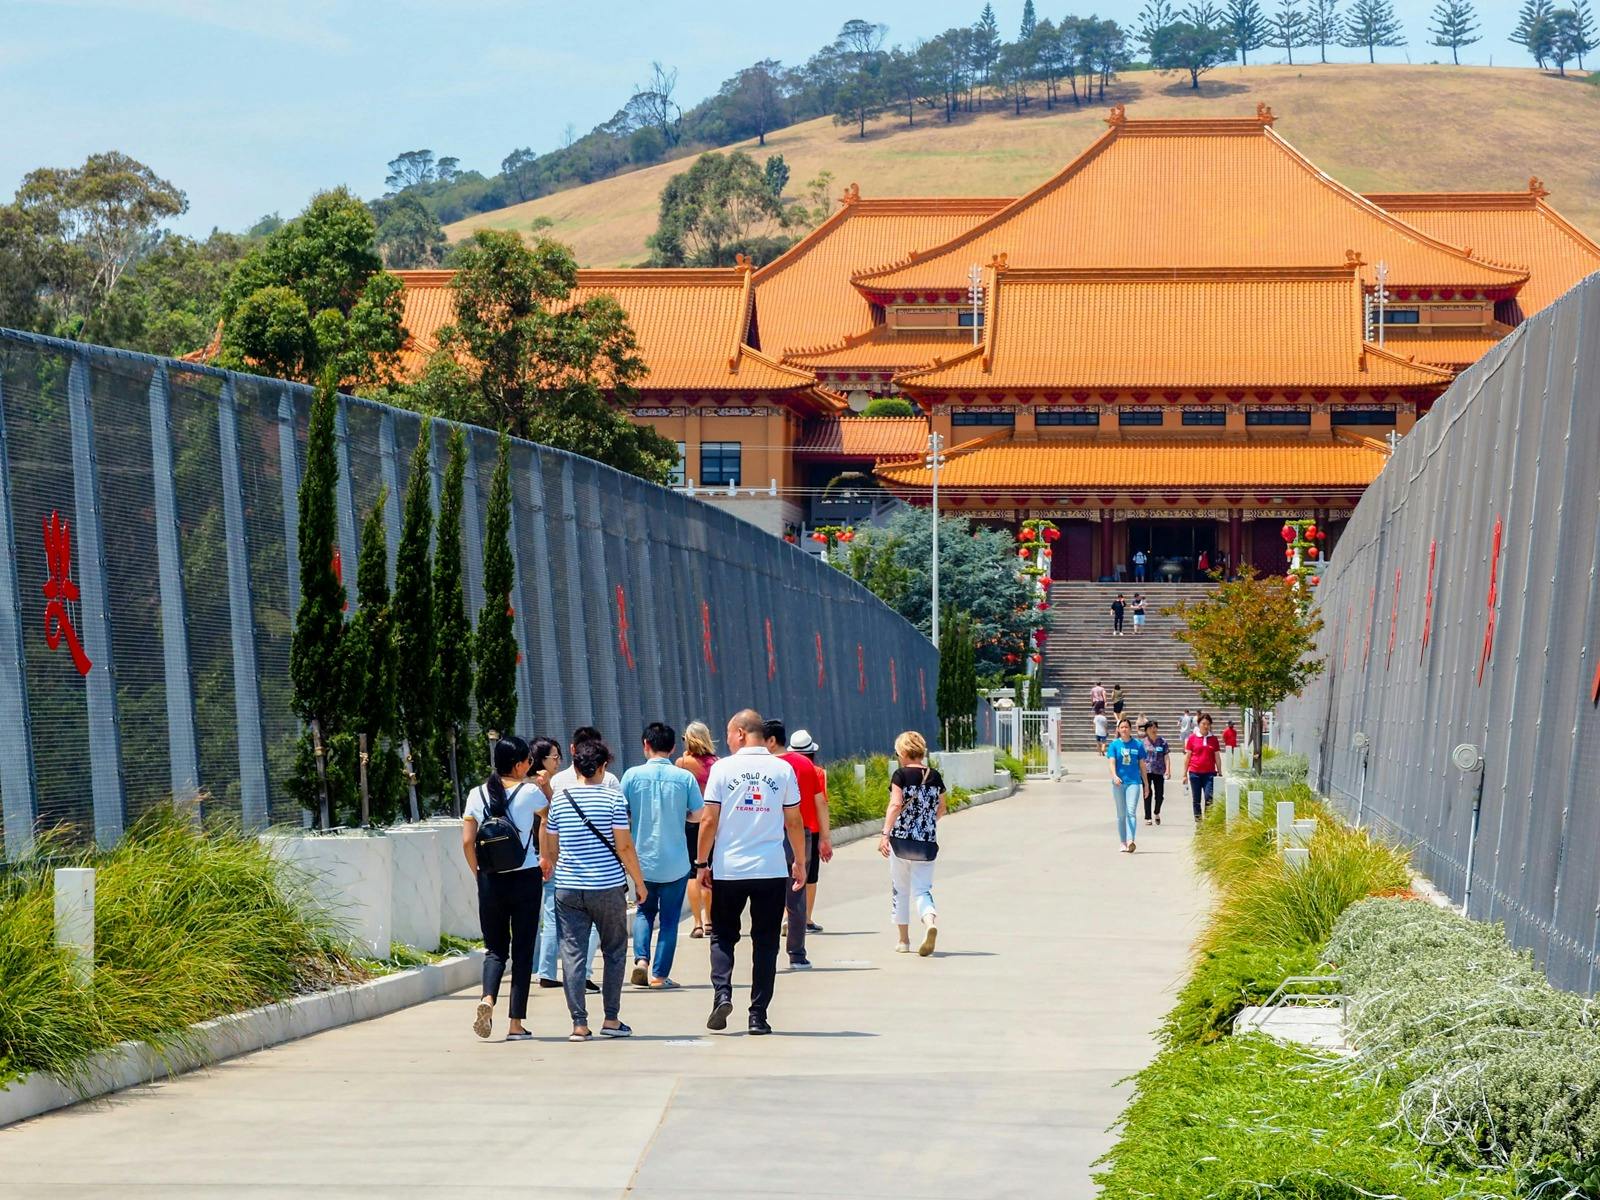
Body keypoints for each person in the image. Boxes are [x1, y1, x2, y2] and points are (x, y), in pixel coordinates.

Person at [697, 709, 805, 1036]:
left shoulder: (723, 769)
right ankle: (758, 1015)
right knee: (766, 942)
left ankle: (722, 993)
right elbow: (794, 821)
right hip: (770, 868)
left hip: (730, 869)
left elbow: (709, 820)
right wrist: (799, 861)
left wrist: (702, 863)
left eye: (729, 734)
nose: (726, 740)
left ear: (741, 733)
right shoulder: (782, 768)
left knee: (723, 936)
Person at [546, 739, 646, 1041]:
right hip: (607, 886)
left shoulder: (560, 800)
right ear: (603, 766)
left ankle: (579, 1024)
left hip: (567, 888)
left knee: (573, 954)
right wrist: (639, 883)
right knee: (614, 951)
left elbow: (552, 846)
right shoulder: (613, 798)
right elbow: (624, 846)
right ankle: (611, 1020)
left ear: (575, 765)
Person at [462, 735, 550, 1042]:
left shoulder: (476, 794)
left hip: (490, 879)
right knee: (523, 951)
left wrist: (479, 873)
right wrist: (546, 856)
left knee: (495, 949)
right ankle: (515, 1025)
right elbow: (549, 817)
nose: (530, 765)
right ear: (518, 764)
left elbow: (466, 841)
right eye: (528, 760)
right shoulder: (530, 792)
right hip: (525, 878)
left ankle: (488, 999)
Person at [621, 722, 703, 989]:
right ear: (673, 748)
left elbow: (621, 814)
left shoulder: (631, 776)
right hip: (676, 861)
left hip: (641, 860)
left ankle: (641, 961)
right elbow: (699, 814)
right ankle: (659, 976)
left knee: (644, 911)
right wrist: (684, 816)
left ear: (646, 744)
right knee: (669, 921)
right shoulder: (684, 777)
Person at [536, 726, 617, 992]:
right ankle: (584, 973)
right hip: (600, 870)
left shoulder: (557, 782)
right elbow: (621, 834)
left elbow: (548, 822)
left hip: (565, 866)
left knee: (552, 917)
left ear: (573, 751)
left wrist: (548, 857)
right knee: (592, 925)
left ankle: (547, 971)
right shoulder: (610, 783)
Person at [880, 730, 946, 956]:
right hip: (926, 844)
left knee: (900, 890)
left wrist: (885, 833)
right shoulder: (935, 776)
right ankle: (929, 923)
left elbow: (895, 805)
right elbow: (942, 808)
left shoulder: (900, 775)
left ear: (904, 752)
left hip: (901, 842)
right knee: (922, 890)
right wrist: (926, 823)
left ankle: (903, 941)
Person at [785, 728, 834, 934]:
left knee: (785, 875)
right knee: (810, 876)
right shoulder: (818, 772)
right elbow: (821, 802)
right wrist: (825, 837)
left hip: (783, 828)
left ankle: (786, 917)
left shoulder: (781, 767)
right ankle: (806, 919)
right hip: (810, 829)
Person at [675, 721, 718, 939]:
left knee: (693, 872)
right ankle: (710, 920)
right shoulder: (717, 763)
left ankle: (698, 923)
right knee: (709, 867)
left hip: (690, 821)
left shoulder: (682, 762)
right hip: (713, 821)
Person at [1106, 717, 1148, 853]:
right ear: (1118, 729)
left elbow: (1142, 765)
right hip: (1119, 783)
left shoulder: (1138, 745)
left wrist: (1146, 784)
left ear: (1131, 729)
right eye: (1122, 727)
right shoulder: (1114, 745)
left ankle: (1131, 840)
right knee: (1121, 814)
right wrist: (1114, 776)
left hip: (1134, 782)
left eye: (1127, 727)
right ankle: (1123, 842)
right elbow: (1111, 762)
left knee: (1131, 812)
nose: (1124, 729)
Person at [1183, 713, 1222, 822]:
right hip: (1195, 772)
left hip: (1209, 773)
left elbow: (1217, 757)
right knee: (1196, 799)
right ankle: (1199, 821)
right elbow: (1188, 757)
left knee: (1209, 797)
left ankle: (1208, 821)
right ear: (1198, 724)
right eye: (1203, 723)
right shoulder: (1192, 738)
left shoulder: (1213, 739)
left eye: (1208, 724)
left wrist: (1220, 771)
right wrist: (1184, 774)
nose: (1205, 726)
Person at [1143, 721, 1170, 826]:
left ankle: (1156, 812)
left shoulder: (1162, 742)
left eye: (1155, 727)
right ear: (1146, 730)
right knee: (1147, 793)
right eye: (1150, 728)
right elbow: (1139, 758)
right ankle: (1148, 817)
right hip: (1146, 771)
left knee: (1160, 795)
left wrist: (1168, 769)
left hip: (1159, 771)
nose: (1153, 730)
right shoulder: (1142, 743)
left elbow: (1166, 756)